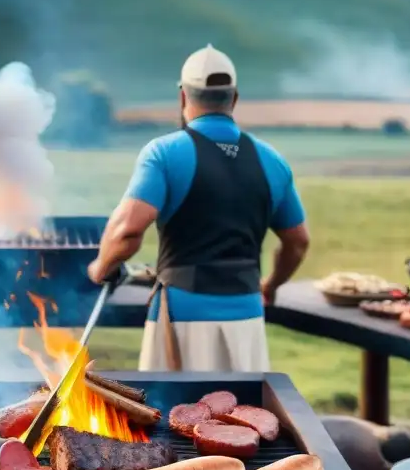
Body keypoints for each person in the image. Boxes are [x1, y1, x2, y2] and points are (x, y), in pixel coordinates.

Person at [87, 44, 310, 371]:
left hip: (180, 316)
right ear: (234, 99)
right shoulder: (272, 160)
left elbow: (127, 231)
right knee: (242, 417)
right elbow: (298, 242)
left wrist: (101, 268)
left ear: (182, 98)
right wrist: (271, 286)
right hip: (247, 314)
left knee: (173, 418)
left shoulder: (163, 153)